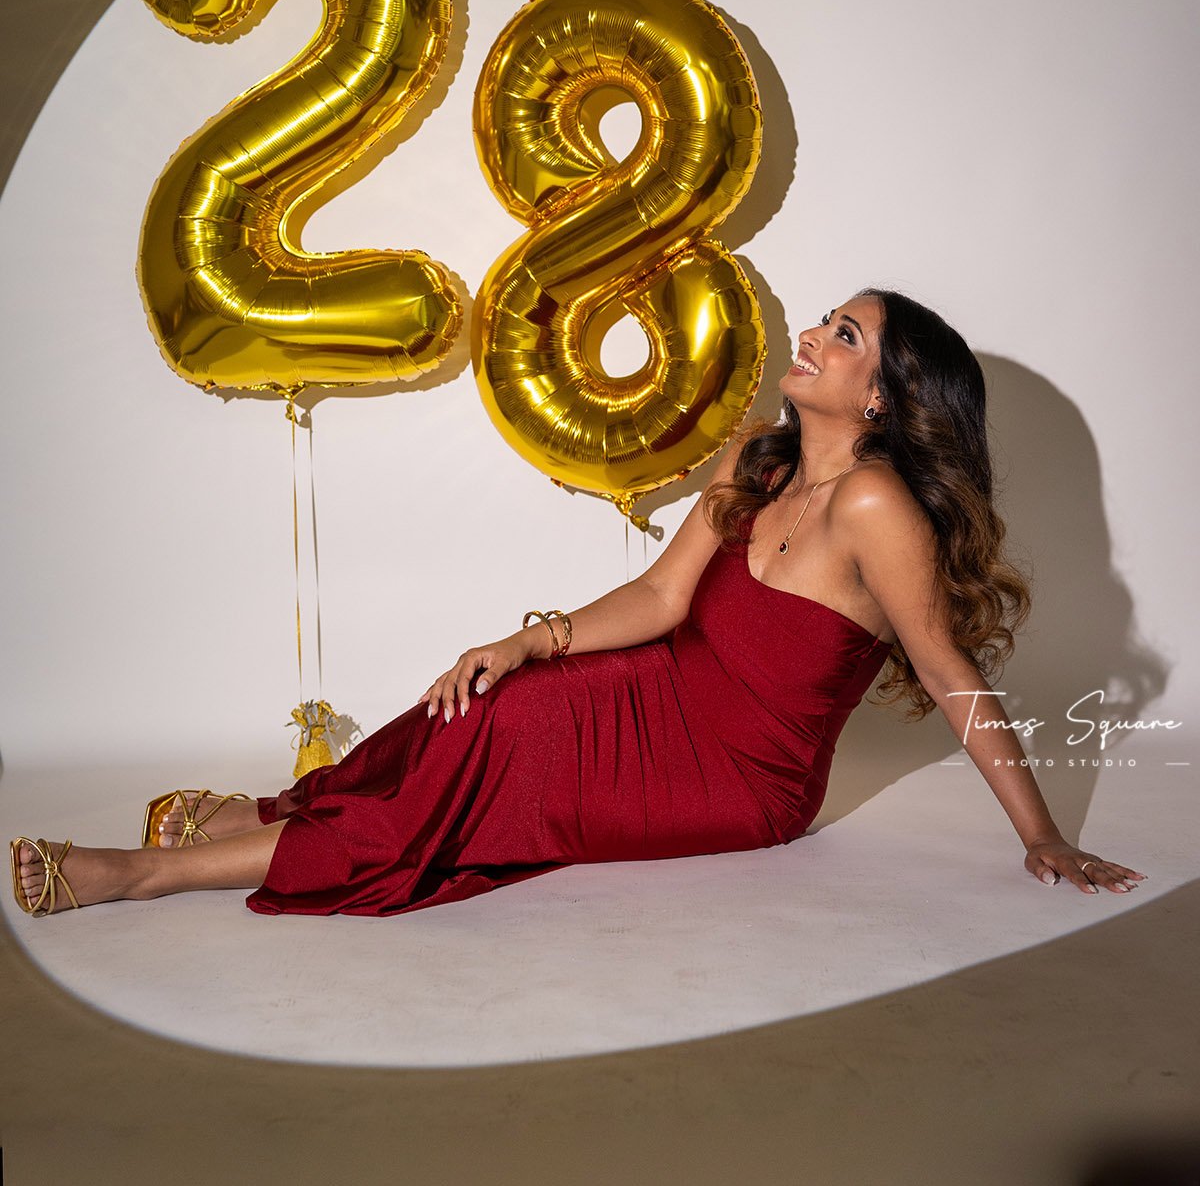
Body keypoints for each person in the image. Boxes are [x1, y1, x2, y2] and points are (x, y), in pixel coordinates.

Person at [10, 287, 1146, 918]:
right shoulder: (759, 461)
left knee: (509, 738)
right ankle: (271, 826)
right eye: (826, 320)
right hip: (659, 691)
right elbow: (659, 594)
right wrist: (519, 637)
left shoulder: (878, 508)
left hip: (736, 776)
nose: (810, 333)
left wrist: (1041, 834)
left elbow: (951, 669)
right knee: (486, 698)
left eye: (843, 336)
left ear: (887, 395)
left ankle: (140, 869)